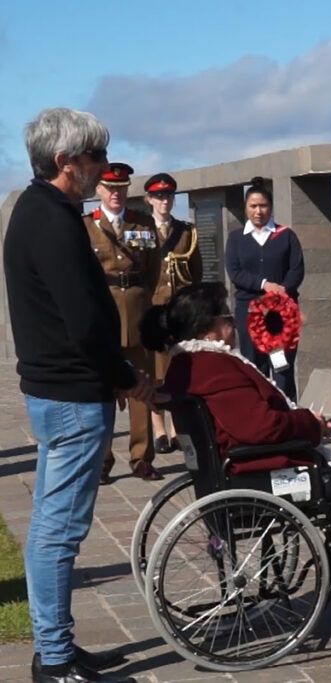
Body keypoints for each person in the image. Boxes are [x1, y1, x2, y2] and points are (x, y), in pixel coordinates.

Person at [4, 107, 152, 682]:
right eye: (95, 157)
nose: (103, 167)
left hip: (59, 392)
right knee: (57, 534)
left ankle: (57, 646)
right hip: (70, 398)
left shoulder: (40, 209)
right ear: (66, 162)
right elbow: (86, 324)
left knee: (51, 527)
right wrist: (126, 378)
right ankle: (56, 661)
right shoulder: (53, 220)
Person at [139, 283, 331, 606]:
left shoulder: (188, 366)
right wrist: (311, 426)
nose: (233, 325)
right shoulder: (215, 368)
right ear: (208, 333)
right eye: (227, 318)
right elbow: (261, 427)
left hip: (235, 473)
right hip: (257, 475)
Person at [83, 162, 163, 483]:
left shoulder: (142, 223)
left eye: (121, 188)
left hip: (138, 310)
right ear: (98, 190)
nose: (116, 194)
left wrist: (143, 300)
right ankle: (102, 460)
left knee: (141, 386)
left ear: (128, 190)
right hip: (104, 315)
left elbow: (154, 268)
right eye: (110, 188)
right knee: (102, 389)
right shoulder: (87, 225)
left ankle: (142, 457)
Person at [224, 177, 304, 401]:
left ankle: (289, 416)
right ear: (246, 208)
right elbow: (235, 271)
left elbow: (296, 269)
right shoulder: (236, 239)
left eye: (263, 206)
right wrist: (264, 285)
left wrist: (281, 291)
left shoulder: (286, 236)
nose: (258, 211)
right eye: (253, 206)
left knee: (282, 368)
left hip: (281, 314)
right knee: (254, 368)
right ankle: (262, 420)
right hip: (249, 313)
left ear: (270, 207)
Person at [145, 173, 203, 452]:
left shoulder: (186, 232)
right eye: (158, 196)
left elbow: (196, 274)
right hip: (154, 309)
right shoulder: (141, 231)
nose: (163, 201)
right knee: (156, 372)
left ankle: (176, 428)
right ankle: (158, 430)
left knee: (179, 371)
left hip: (180, 312)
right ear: (149, 200)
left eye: (167, 196)